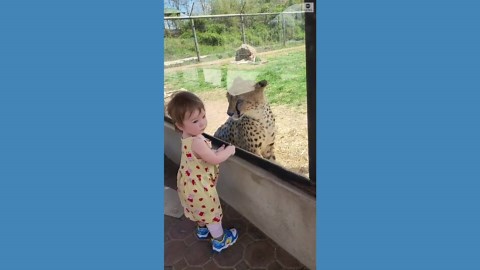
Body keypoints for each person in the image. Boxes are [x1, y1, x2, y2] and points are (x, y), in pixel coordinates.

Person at [166, 91, 238, 252]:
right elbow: (213, 159)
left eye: (203, 117)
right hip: (199, 187)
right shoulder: (197, 141)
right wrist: (229, 151)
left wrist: (215, 152)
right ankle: (220, 240)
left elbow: (204, 155)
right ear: (179, 125)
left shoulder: (187, 135)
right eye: (195, 121)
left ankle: (202, 229)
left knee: (198, 209)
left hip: (187, 183)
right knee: (211, 211)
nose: (202, 123)